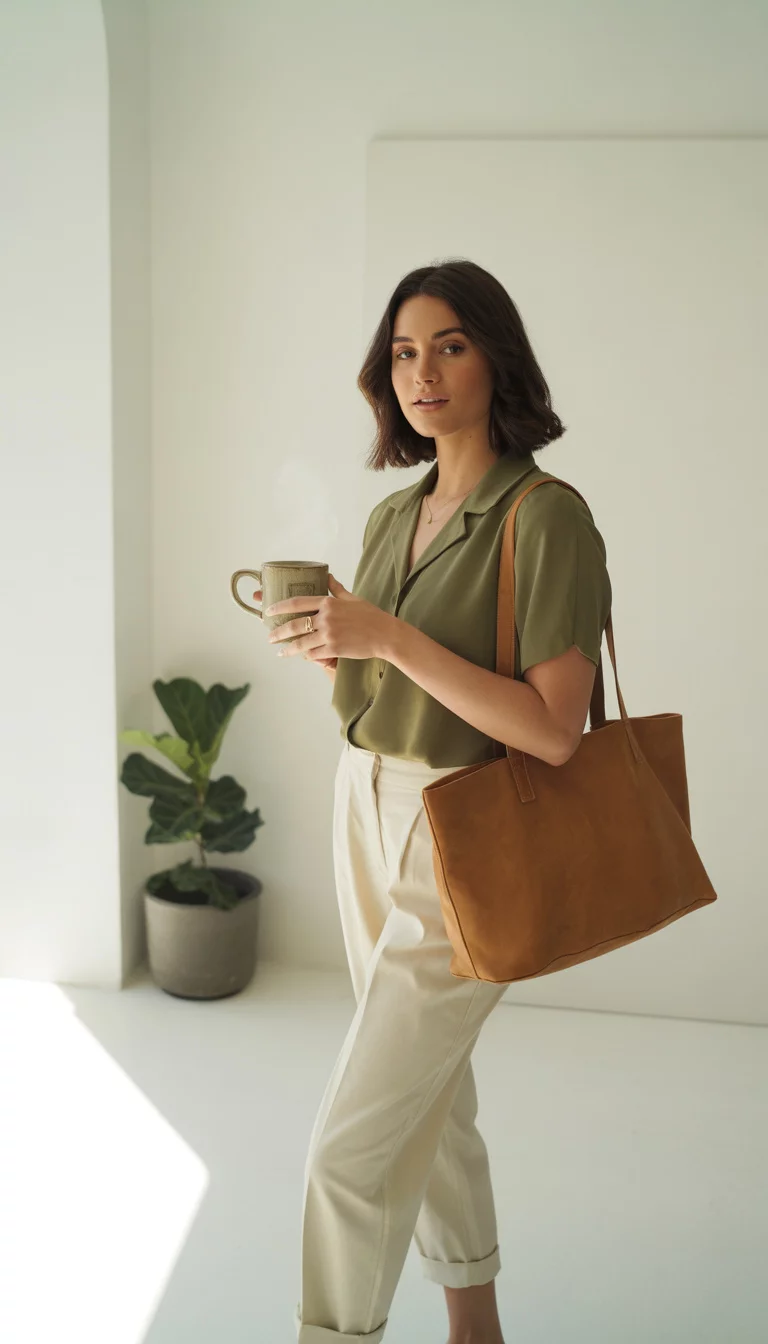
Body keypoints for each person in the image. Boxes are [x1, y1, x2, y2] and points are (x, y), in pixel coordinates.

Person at [258, 259, 612, 1343]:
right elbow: (390, 684)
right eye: (404, 351)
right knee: (431, 1091)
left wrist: (391, 639)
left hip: (468, 829)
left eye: (449, 344)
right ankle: (476, 1323)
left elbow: (555, 729)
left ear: (495, 355)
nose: (423, 371)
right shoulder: (392, 515)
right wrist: (338, 649)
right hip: (364, 803)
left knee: (349, 1148)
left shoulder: (546, 517)